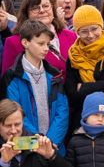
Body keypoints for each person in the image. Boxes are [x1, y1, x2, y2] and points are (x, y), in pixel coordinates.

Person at [1, 20, 70, 156]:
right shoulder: (12, 76)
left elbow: (63, 111)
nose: (46, 48)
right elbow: (15, 114)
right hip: (26, 148)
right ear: (25, 43)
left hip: (54, 148)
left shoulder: (54, 74)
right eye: (40, 44)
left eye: (47, 44)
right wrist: (38, 142)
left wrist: (50, 142)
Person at [65, 5, 104, 141]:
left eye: (94, 29)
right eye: (84, 31)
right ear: (77, 32)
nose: (90, 35)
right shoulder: (74, 55)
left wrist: (83, 88)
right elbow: (71, 96)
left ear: (101, 26)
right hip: (82, 121)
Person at [1, 0, 78, 80]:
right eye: (35, 8)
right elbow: (8, 81)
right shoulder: (15, 42)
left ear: (52, 9)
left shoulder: (71, 36)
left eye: (46, 6)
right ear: (27, 14)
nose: (42, 10)